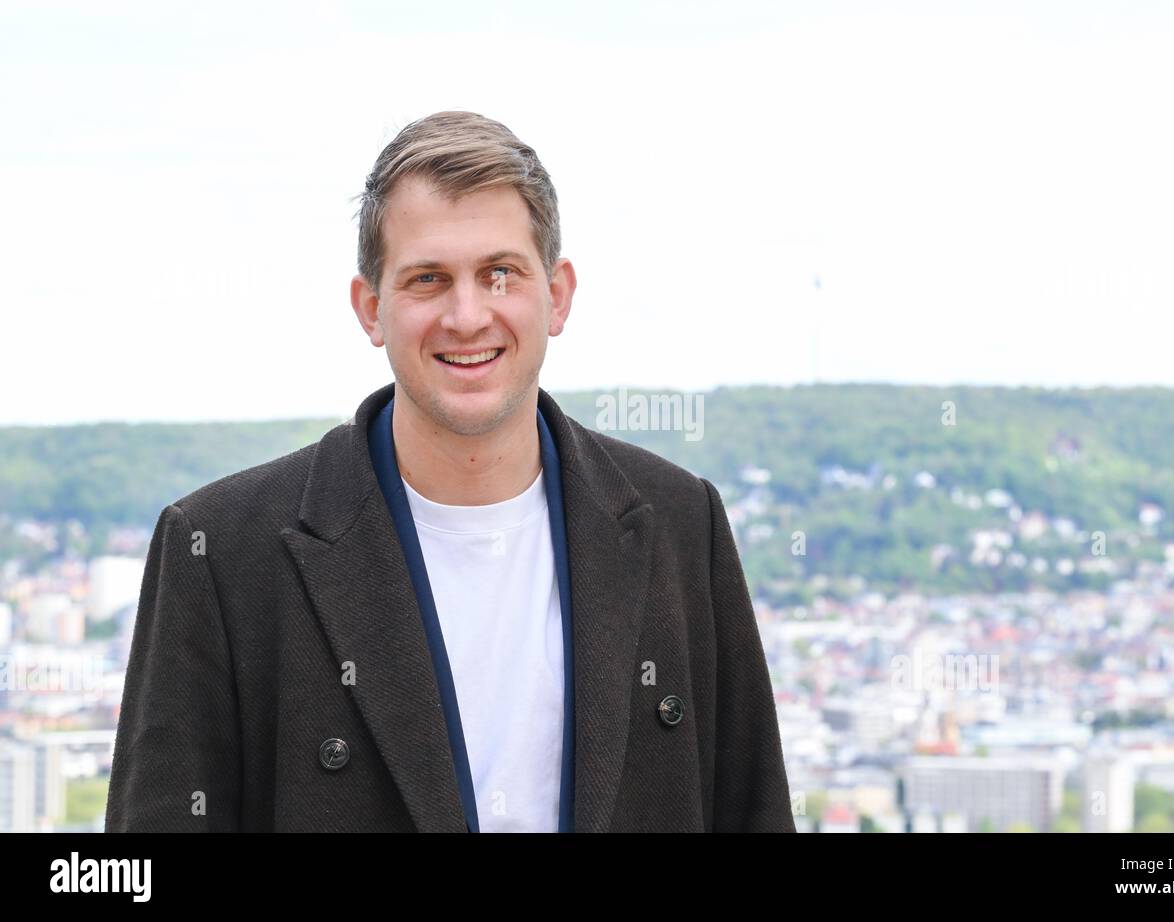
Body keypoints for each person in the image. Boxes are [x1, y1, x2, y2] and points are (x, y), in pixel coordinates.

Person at [105, 110, 795, 832]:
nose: (467, 316)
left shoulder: (684, 525)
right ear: (371, 308)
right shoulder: (219, 549)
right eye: (429, 279)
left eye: (501, 273)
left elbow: (754, 813)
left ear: (556, 296)